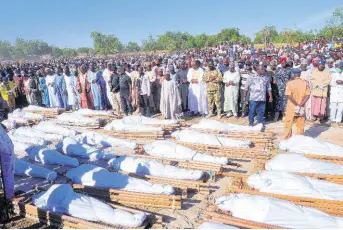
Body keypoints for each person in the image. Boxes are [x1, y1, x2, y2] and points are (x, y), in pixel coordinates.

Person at [283, 68, 310, 139]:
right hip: (301, 106)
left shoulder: (290, 83)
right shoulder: (305, 83)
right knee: (300, 124)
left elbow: (289, 96)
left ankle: (287, 138)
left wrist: (296, 104)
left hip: (291, 106)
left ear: (293, 74)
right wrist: (300, 104)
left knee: (288, 123)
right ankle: (300, 139)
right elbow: (308, 95)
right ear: (300, 74)